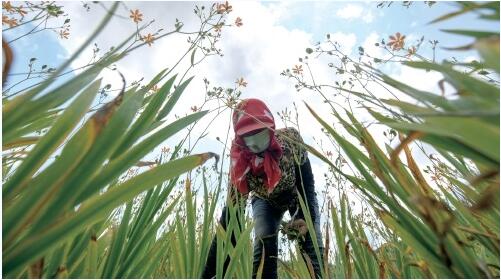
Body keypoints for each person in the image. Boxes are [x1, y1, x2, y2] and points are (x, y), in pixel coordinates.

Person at [202, 98, 324, 279]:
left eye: (261, 135)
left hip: (296, 194)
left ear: (271, 128)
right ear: (240, 139)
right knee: (264, 242)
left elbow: (307, 183)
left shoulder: (292, 140)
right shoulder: (240, 165)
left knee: (310, 243)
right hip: (265, 201)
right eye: (249, 139)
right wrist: (209, 274)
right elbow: (230, 221)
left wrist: (305, 217)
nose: (257, 145)